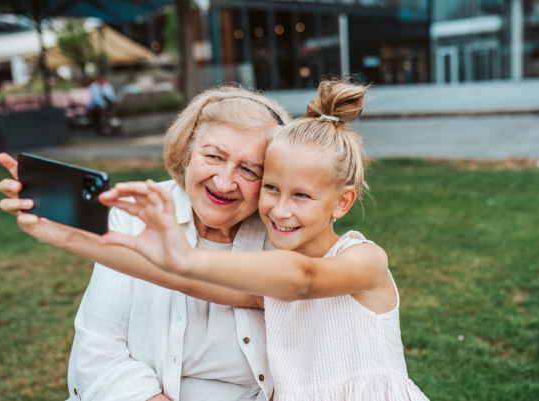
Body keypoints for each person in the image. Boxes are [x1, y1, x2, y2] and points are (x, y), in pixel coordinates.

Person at [96, 79, 430, 401]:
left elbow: (304, 278)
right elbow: (177, 279)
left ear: (342, 203)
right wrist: (66, 235)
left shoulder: (367, 262)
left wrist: (186, 257)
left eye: (301, 195)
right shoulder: (269, 291)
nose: (280, 210)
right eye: (271, 188)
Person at [0, 85, 291, 401]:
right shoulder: (136, 214)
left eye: (249, 169)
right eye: (214, 156)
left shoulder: (282, 231)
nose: (224, 181)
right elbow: (100, 352)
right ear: (188, 151)